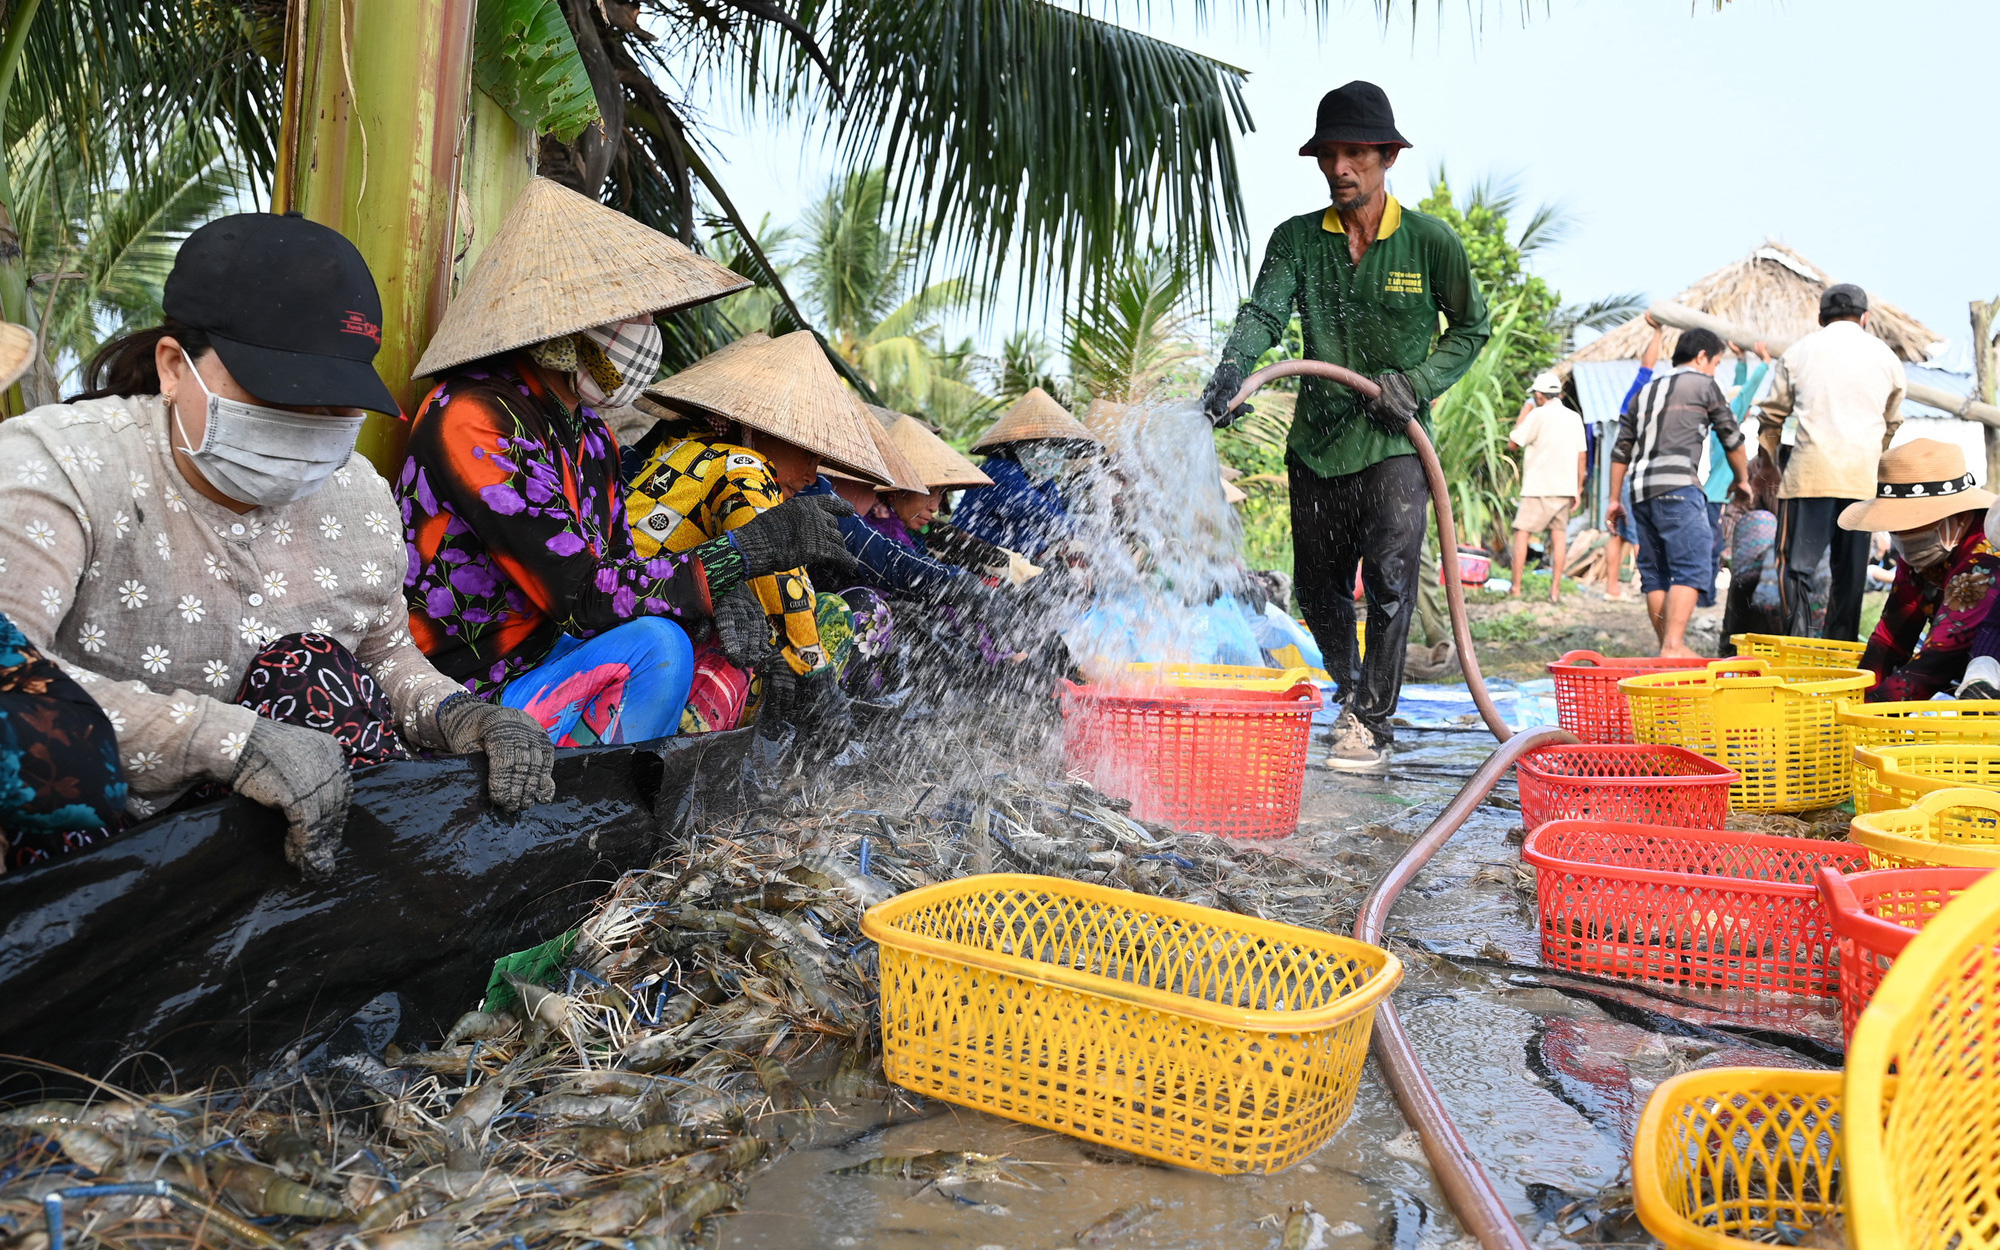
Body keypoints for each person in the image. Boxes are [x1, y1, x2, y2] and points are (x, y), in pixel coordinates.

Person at [0, 212, 556, 879]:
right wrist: (229, 742)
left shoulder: (356, 497)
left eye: (334, 404)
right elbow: (12, 681)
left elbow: (383, 656)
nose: (309, 427)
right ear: (175, 368)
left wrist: (455, 713)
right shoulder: (60, 467)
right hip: (91, 830)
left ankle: (349, 921)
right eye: (279, 395)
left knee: (312, 666)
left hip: (290, 825)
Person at [400, 180, 855, 750]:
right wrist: (745, 552)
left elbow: (621, 565)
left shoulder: (593, 439)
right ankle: (589, 812)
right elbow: (582, 596)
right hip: (471, 688)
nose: (645, 329)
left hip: (555, 654)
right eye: (628, 313)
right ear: (567, 325)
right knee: (660, 646)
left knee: (724, 650)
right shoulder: (473, 416)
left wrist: (722, 590)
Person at [1200, 80, 1490, 769]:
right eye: (1329, 155)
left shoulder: (1429, 243)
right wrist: (1232, 369)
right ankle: (1351, 687)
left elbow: (1472, 326)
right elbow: (1265, 316)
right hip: (1319, 445)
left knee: (1390, 579)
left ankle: (1373, 724)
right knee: (1316, 588)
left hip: (1395, 444)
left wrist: (1416, 384)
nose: (1340, 168)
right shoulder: (1298, 240)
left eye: (1355, 153)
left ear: (1387, 156)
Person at [625, 330, 887, 736]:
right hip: (641, 648)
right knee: (805, 629)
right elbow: (778, 571)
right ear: (757, 430)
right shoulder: (742, 465)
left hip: (630, 623)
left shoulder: (679, 451)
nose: (813, 474)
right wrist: (816, 679)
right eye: (808, 453)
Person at [1757, 283, 1908, 641]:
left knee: (1796, 568)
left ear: (1821, 318)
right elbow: (1892, 421)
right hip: (1860, 478)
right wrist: (1875, 456)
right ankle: (1838, 649)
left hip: (1810, 475)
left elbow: (1772, 415)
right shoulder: (1886, 357)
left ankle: (1798, 642)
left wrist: (1767, 463)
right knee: (1851, 572)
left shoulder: (1799, 352)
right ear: (1865, 318)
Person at [1607, 327, 1751, 658]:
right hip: (1678, 490)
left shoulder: (1646, 391)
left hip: (1640, 492)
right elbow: (1732, 437)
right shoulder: (1703, 385)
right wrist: (1742, 480)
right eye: (1716, 362)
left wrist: (1615, 499)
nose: (1715, 370)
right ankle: (1673, 646)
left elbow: (1621, 449)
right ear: (1702, 357)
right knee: (1692, 561)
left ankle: (1665, 648)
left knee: (1655, 570)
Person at [1839, 441, 2000, 702]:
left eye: (1913, 521)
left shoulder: (1985, 554)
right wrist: (1855, 698)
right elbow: (1892, 635)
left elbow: (1940, 658)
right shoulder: (1923, 551)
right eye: (1896, 525)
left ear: (1956, 516)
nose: (1902, 534)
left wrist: (1868, 711)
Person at [954, 387, 1099, 561]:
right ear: (1020, 445)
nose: (1053, 452)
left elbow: (1055, 512)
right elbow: (1035, 510)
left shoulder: (1041, 480)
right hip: (968, 559)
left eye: (1058, 446)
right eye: (1045, 444)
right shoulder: (998, 471)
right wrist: (1084, 534)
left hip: (1007, 564)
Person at [1507, 370, 1586, 604]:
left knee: (1522, 532)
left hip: (1537, 487)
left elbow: (1513, 443)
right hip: (1564, 487)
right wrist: (1578, 489)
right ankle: (1554, 592)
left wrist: (1524, 412)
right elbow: (1582, 455)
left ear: (1540, 395)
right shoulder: (1574, 417)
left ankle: (1517, 588)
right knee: (1558, 536)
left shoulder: (1537, 415)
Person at [1602, 316, 1664, 600]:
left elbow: (1646, 367)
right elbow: (1648, 367)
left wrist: (1658, 333)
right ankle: (1646, 588)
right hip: (1639, 480)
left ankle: (1613, 588)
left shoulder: (1632, 402)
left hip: (1625, 478)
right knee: (1640, 535)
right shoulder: (1657, 410)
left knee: (1619, 534)